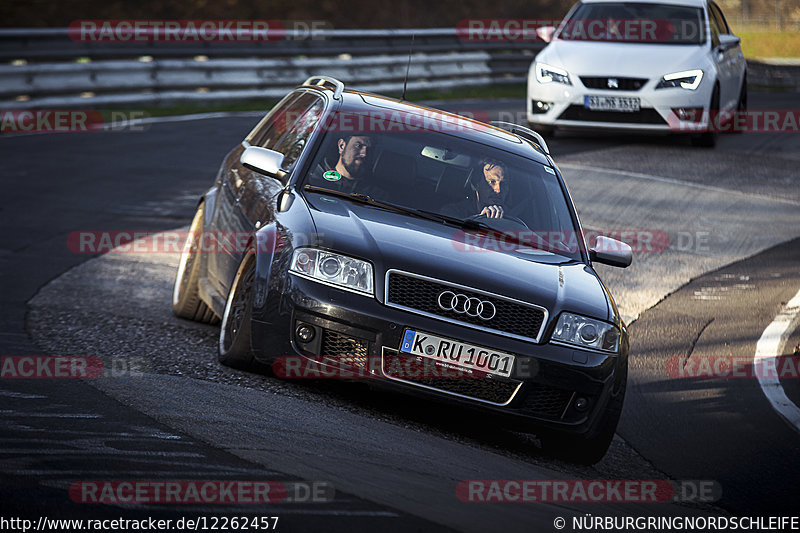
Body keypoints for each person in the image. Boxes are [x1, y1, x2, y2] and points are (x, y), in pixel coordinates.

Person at [442, 158, 510, 219]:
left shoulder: (512, 218)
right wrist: (479, 218)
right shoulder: (453, 212)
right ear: (475, 185)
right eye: (491, 182)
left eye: (504, 184)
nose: (498, 190)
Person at [309, 134, 375, 193]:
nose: (364, 154)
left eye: (369, 149)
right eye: (358, 146)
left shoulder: (374, 193)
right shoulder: (312, 179)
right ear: (341, 146)